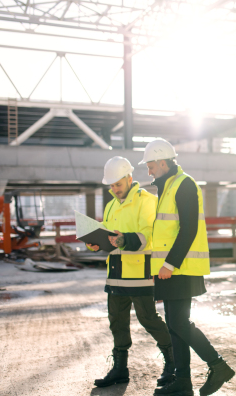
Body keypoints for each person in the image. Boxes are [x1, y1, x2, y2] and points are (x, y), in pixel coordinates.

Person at [141, 139, 235, 396]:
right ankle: (183, 382)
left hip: (180, 267)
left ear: (163, 162)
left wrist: (170, 264)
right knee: (175, 325)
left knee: (179, 323)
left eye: (150, 165)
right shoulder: (168, 186)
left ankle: (218, 366)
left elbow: (189, 228)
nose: (148, 171)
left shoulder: (183, 184)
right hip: (170, 269)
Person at [86, 156, 174, 388]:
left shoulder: (146, 201)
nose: (114, 189)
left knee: (148, 319)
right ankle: (119, 369)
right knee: (116, 321)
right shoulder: (111, 205)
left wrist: (124, 239)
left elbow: (150, 235)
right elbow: (108, 236)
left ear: (129, 178)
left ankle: (173, 362)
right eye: (111, 185)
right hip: (115, 272)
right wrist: (95, 243)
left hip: (139, 272)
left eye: (118, 184)